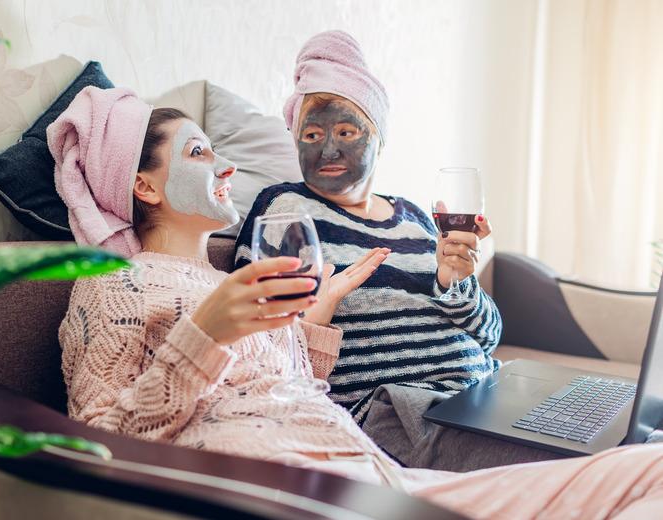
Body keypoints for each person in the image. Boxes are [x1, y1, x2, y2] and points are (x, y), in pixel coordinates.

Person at [50, 85, 663, 520]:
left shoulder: (230, 283)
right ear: (144, 185)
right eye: (198, 153)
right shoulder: (114, 286)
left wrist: (320, 319)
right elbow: (99, 448)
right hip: (296, 486)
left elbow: (290, 387)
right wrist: (203, 335)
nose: (229, 166)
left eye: (347, 131)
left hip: (376, 476)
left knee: (652, 466)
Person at [234, 30, 555, 471]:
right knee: (588, 466)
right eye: (310, 134)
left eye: (347, 130)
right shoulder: (286, 210)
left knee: (610, 429)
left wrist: (456, 283)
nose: (328, 147)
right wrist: (319, 311)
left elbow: (489, 337)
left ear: (379, 137)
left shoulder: (416, 218)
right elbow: (259, 351)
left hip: (482, 394)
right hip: (395, 415)